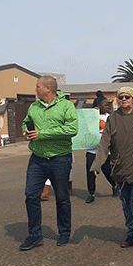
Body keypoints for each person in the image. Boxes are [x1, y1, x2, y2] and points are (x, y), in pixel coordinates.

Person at [90, 87, 133, 251]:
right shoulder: (113, 118)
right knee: (127, 204)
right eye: (120, 97)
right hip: (120, 169)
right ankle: (132, 234)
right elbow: (104, 143)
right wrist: (97, 164)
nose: (123, 99)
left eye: (126, 96)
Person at [19, 76, 78, 250]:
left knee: (61, 197)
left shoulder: (66, 106)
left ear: (48, 89)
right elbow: (25, 123)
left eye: (37, 87)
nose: (35, 90)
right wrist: (26, 130)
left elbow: (72, 129)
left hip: (60, 158)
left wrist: (42, 134)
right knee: (31, 195)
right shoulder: (34, 106)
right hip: (37, 158)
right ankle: (35, 235)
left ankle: (65, 232)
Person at [85, 91, 118, 203]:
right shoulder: (91, 117)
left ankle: (115, 185)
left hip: (105, 151)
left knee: (108, 171)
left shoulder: (110, 117)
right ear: (98, 106)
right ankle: (91, 193)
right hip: (92, 150)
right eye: (105, 105)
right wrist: (91, 115)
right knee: (90, 173)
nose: (108, 106)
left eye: (108, 104)